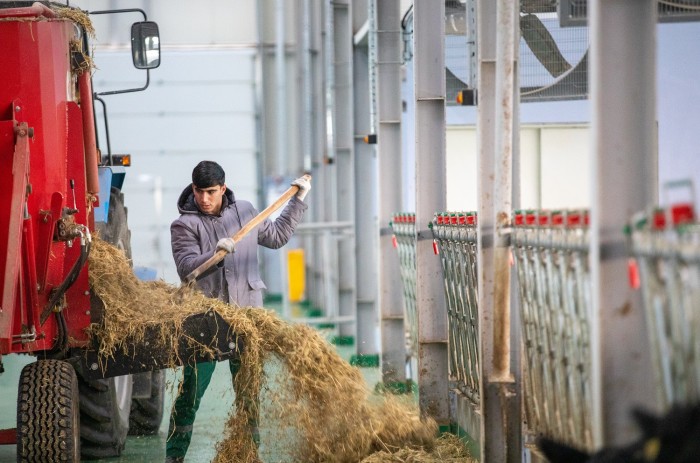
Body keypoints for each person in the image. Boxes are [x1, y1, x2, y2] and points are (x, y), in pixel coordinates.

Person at [165, 160, 310, 463]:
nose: (204, 199)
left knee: (248, 394)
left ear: (223, 188)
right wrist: (215, 254)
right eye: (199, 191)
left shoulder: (245, 211)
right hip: (204, 322)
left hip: (246, 318)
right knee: (190, 394)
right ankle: (174, 458)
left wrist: (298, 200)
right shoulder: (184, 225)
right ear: (193, 189)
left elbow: (277, 236)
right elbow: (186, 268)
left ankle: (249, 455)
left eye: (211, 192)